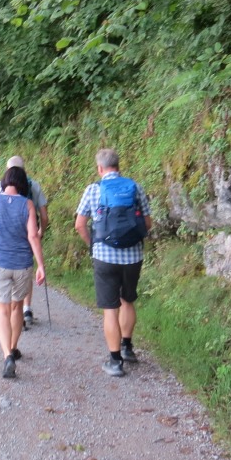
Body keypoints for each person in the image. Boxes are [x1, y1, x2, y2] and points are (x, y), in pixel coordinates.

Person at [74, 148, 152, 377]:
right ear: (118, 166)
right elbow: (147, 223)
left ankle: (115, 361)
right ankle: (127, 347)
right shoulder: (135, 187)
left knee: (110, 309)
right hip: (133, 257)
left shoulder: (93, 189)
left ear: (100, 168)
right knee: (127, 300)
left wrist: (93, 244)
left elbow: (80, 224)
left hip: (104, 257)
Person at [0, 165, 46, 379]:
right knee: (17, 307)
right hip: (22, 264)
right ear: (23, 184)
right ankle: (13, 348)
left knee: (2, 311)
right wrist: (41, 265)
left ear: (4, 182)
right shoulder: (28, 204)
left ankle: (7, 356)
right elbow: (33, 236)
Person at [0, 155, 48, 327]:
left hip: (2, 239)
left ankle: (9, 311)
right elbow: (44, 215)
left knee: (4, 272)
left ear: (7, 170)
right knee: (25, 269)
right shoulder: (33, 185)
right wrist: (40, 231)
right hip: (27, 235)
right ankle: (26, 308)